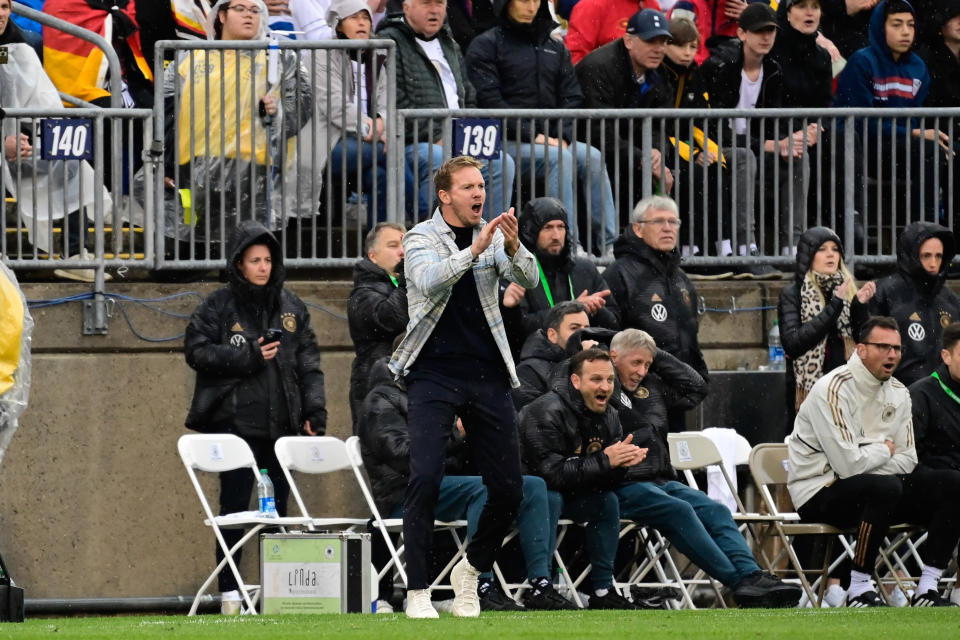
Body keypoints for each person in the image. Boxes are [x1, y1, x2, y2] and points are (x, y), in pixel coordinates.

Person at [387, 156, 538, 619]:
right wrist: (475, 251)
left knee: (511, 489)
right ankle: (416, 591)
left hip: (487, 373)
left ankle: (469, 571)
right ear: (445, 195)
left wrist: (513, 248)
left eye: (481, 185)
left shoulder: (493, 236)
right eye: (468, 187)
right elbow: (430, 281)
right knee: (426, 477)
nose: (479, 194)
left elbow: (530, 279)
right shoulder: (419, 238)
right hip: (432, 373)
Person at [183, 220, 326, 613]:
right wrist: (246, 356)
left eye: (268, 260)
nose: (263, 267)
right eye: (254, 260)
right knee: (234, 513)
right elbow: (196, 352)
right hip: (235, 430)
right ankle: (229, 592)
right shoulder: (217, 305)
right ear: (239, 264)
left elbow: (309, 364)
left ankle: (278, 595)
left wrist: (315, 411)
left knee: (279, 514)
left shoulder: (293, 307)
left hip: (283, 430)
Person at [360, 356, 577, 612]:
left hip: (448, 486)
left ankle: (541, 584)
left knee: (535, 486)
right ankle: (481, 584)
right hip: (403, 495)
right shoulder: (381, 400)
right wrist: (457, 433)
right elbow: (402, 454)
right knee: (486, 491)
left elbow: (461, 454)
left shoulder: (443, 392)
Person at [608, 329, 801, 607]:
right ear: (614, 357)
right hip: (622, 484)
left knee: (715, 509)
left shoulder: (653, 386)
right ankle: (739, 584)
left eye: (647, 364)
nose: (641, 370)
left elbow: (697, 387)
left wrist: (655, 353)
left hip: (661, 479)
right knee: (680, 510)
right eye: (635, 363)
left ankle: (751, 574)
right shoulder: (600, 385)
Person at [787, 316, 960, 607]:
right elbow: (847, 466)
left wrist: (871, 452)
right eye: (882, 346)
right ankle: (858, 588)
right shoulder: (833, 388)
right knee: (886, 488)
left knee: (952, 483)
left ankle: (928, 588)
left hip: (873, 488)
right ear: (860, 349)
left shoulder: (900, 393)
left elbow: (908, 459)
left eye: (897, 348)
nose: (892, 354)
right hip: (818, 490)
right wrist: (884, 450)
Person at [466, 0, 619, 256]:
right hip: (506, 139)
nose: (531, 6)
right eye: (523, 0)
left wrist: (563, 135)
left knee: (592, 156)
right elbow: (490, 102)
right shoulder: (486, 44)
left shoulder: (554, 47)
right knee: (558, 158)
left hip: (551, 139)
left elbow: (572, 97)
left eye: (536, 0)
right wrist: (532, 134)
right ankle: (570, 246)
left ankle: (609, 247)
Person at [163, 0, 314, 242]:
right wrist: (167, 164)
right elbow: (168, 110)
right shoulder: (191, 59)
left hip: (255, 169)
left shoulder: (276, 57)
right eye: (240, 9)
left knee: (245, 246)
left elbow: (302, 106)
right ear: (221, 16)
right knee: (193, 245)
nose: (249, 16)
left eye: (255, 10)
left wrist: (276, 114)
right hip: (194, 168)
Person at [519, 348, 647, 610]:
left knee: (607, 501)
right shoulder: (545, 410)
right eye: (596, 380)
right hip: (528, 496)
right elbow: (550, 474)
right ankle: (540, 586)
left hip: (570, 492)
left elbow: (602, 477)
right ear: (575, 381)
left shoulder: (610, 414)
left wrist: (621, 465)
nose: (605, 387)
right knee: (549, 496)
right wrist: (606, 461)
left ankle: (602, 589)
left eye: (610, 380)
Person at [0, 1, 113, 283]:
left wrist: (33, 138)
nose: (1, 14)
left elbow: (40, 100)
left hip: (15, 145)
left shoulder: (19, 46)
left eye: (4, 6)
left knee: (68, 156)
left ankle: (75, 254)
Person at [376, 0, 515, 220]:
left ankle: (488, 240)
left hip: (457, 138)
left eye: (440, 3)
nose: (434, 10)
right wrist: (439, 135)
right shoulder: (390, 41)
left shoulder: (449, 43)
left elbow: (468, 97)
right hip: (411, 142)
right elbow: (393, 102)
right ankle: (433, 240)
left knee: (501, 163)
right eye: (426, 3)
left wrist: (466, 131)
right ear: (406, 7)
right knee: (437, 157)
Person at [700, 2, 810, 254]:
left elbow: (774, 124)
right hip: (719, 149)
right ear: (741, 34)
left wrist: (787, 140)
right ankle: (745, 245)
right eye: (759, 31)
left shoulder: (774, 70)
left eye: (770, 31)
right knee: (745, 157)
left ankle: (793, 245)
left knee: (797, 158)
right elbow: (713, 126)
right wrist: (761, 144)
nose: (766, 37)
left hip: (755, 149)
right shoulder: (720, 67)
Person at [833, 0, 952, 219]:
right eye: (896, 25)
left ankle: (942, 232)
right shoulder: (862, 62)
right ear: (881, 27)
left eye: (910, 25)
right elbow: (859, 122)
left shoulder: (918, 68)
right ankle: (922, 227)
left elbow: (916, 118)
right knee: (928, 150)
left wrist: (919, 134)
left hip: (900, 148)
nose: (906, 32)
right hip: (863, 149)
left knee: (948, 152)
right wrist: (912, 133)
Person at [603, 195, 708, 429]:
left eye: (673, 222)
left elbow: (690, 334)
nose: (668, 228)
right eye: (659, 222)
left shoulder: (681, 279)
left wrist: (698, 373)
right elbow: (608, 335)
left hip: (677, 392)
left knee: (677, 461)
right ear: (638, 229)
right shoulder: (618, 274)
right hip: (638, 394)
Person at [315, 0, 417, 225]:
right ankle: (425, 216)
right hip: (328, 142)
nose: (362, 23)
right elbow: (335, 107)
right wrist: (372, 129)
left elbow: (387, 103)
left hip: (369, 141)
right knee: (388, 153)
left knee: (380, 176)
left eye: (365, 18)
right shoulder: (321, 53)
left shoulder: (378, 53)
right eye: (354, 18)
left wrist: (381, 124)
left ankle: (379, 244)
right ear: (339, 25)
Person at [576, 9, 676, 212]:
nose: (659, 49)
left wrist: (656, 151)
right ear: (629, 41)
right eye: (651, 41)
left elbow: (660, 124)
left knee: (682, 170)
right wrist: (640, 157)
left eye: (663, 42)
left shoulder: (660, 73)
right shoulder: (599, 67)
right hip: (594, 147)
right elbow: (597, 131)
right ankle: (609, 241)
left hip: (628, 148)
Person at [778, 227, 876, 424]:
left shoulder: (848, 290)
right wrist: (834, 306)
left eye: (835, 249)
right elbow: (794, 343)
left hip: (848, 389)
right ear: (809, 256)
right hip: (811, 391)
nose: (831, 254)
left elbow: (864, 341)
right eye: (822, 249)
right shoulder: (793, 294)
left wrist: (859, 307)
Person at [851, 222, 960, 387]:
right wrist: (858, 308)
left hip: (943, 397)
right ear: (912, 255)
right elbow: (865, 339)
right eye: (926, 255)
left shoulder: (951, 301)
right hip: (895, 395)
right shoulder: (885, 291)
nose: (933, 263)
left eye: (938, 256)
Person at [501, 197, 619, 342]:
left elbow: (614, 325)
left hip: (584, 358)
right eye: (548, 228)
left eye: (561, 227)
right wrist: (573, 310)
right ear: (531, 233)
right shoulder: (516, 270)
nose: (556, 236)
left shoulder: (585, 269)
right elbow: (519, 329)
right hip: (538, 359)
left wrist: (597, 310)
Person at [347, 222, 408, 434]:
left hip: (407, 389)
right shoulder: (362, 294)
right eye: (393, 246)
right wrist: (409, 279)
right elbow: (392, 318)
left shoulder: (406, 285)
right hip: (376, 391)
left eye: (406, 245)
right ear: (373, 256)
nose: (402, 252)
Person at [513, 301, 590, 409]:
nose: (583, 333)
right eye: (574, 328)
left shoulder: (590, 362)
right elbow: (534, 419)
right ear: (552, 335)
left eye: (586, 328)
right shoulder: (528, 371)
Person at [565, 0, 663, 64]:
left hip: (643, 86)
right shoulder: (592, 5)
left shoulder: (652, 5)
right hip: (602, 85)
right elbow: (575, 57)